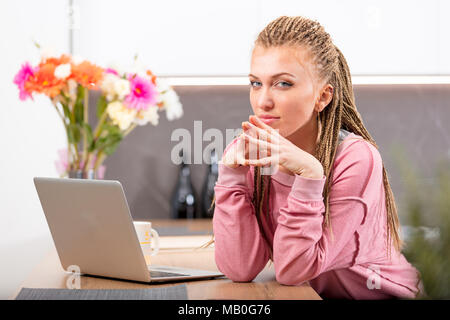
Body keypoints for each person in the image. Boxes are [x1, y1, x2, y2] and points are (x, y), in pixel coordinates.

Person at [212, 16, 422, 299]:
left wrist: (310, 175)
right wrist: (232, 175)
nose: (263, 101)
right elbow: (239, 269)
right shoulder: (251, 155)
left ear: (323, 97)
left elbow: (293, 271)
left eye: (283, 84)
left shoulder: (357, 159)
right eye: (256, 83)